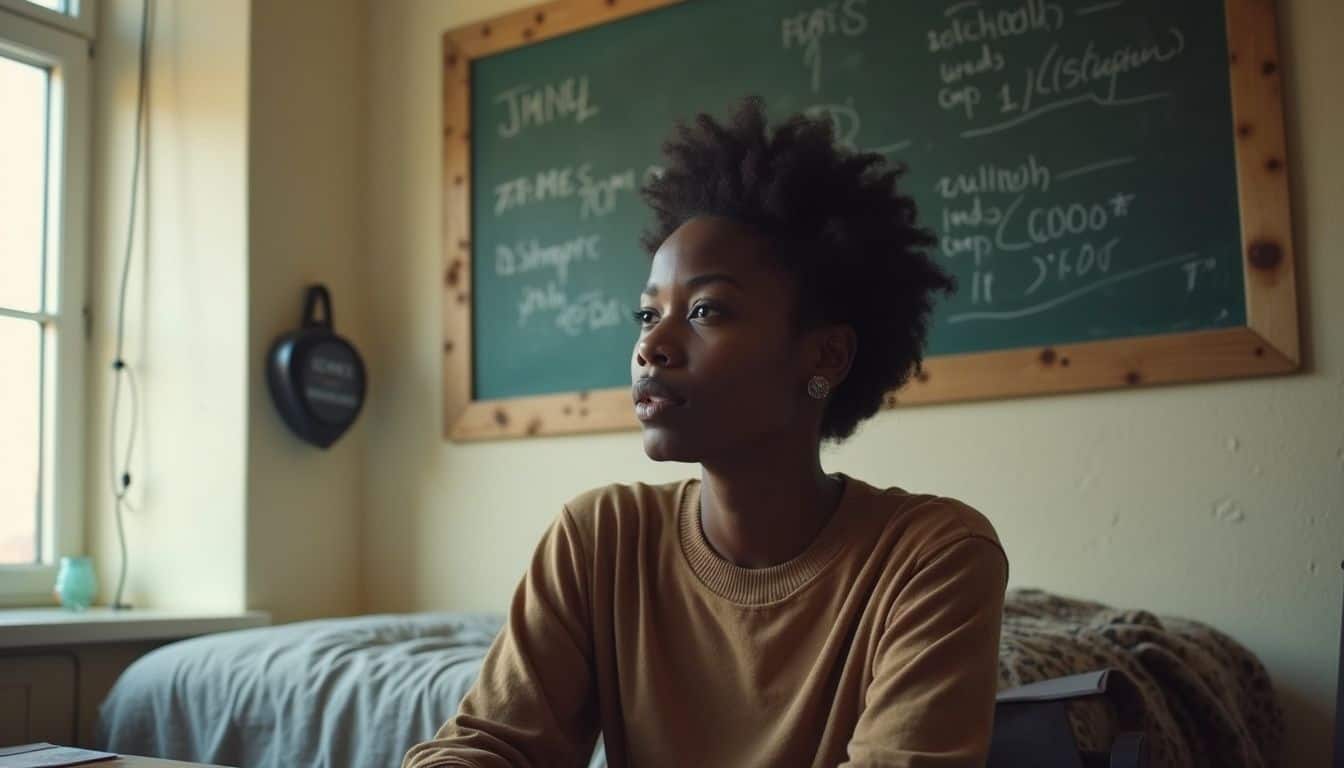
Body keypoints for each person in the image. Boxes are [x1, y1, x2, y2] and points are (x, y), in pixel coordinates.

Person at [403, 96, 1009, 768]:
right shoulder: (600, 537)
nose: (651, 346)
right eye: (646, 314)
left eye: (705, 310)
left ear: (825, 356)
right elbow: (489, 744)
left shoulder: (931, 558)